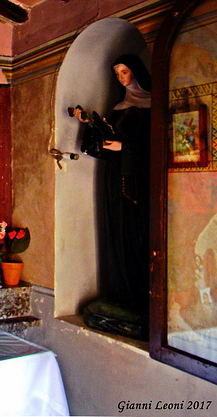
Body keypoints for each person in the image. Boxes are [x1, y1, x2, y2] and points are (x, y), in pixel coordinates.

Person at [73, 54, 151, 337]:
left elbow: (156, 148)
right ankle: (119, 293)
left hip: (139, 183)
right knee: (115, 234)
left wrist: (125, 149)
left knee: (137, 234)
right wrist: (88, 124)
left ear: (137, 72)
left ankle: (140, 296)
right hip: (112, 181)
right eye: (117, 73)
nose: (122, 78)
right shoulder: (119, 108)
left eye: (125, 71)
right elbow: (100, 147)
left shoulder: (154, 106)